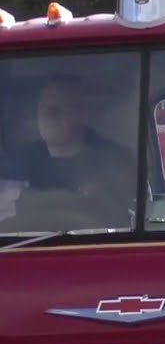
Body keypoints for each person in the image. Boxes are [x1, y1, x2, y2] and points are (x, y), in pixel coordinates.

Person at [3, 75, 136, 231]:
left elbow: (121, 220)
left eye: (62, 108)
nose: (49, 114)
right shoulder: (19, 160)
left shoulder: (115, 162)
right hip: (21, 247)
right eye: (43, 107)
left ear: (84, 114)